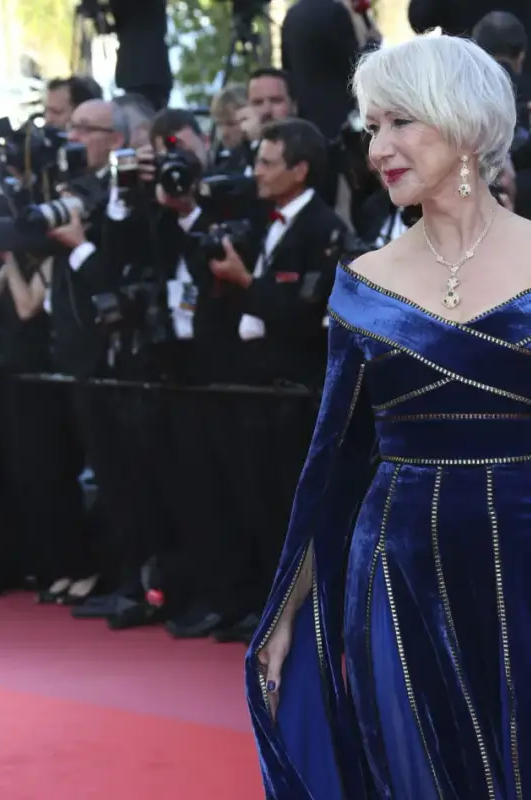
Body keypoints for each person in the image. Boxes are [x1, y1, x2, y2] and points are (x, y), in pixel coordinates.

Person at [246, 33, 531, 799]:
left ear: (464, 121)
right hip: (398, 569)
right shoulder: (364, 282)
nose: (378, 149)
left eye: (401, 122)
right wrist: (286, 614)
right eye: (372, 127)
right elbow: (333, 463)